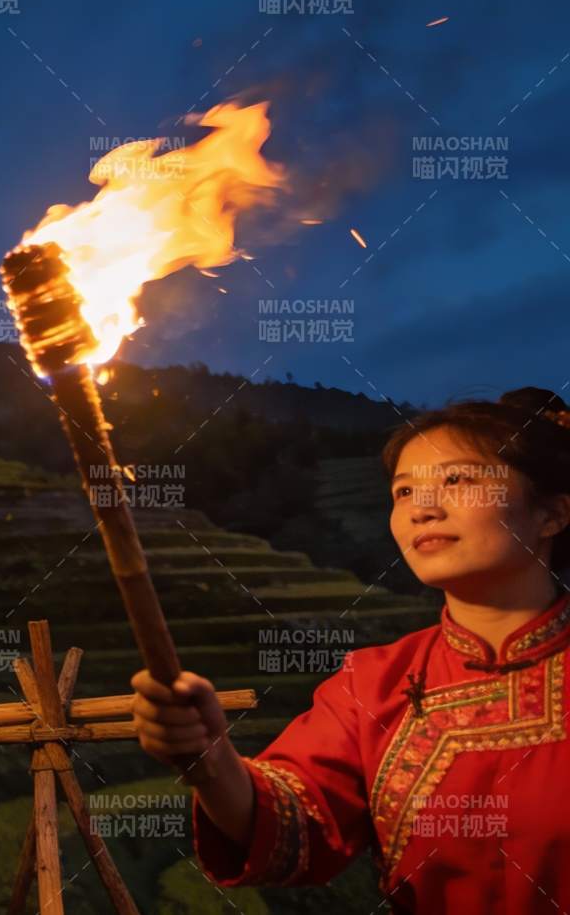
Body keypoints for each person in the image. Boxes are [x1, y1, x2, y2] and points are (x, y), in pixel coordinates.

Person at [130, 386, 570, 912]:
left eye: (458, 479)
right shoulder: (372, 683)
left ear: (551, 515)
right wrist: (211, 760)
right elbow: (296, 826)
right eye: (404, 492)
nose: (422, 509)